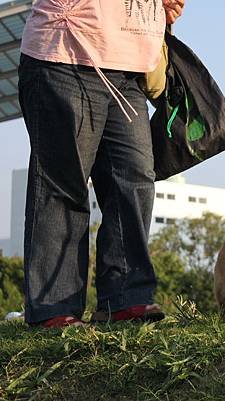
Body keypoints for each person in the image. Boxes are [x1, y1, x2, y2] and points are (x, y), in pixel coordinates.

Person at [18, 0, 185, 328]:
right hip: (67, 53)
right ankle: (54, 308)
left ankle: (124, 298)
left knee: (134, 181)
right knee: (65, 185)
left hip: (129, 68)